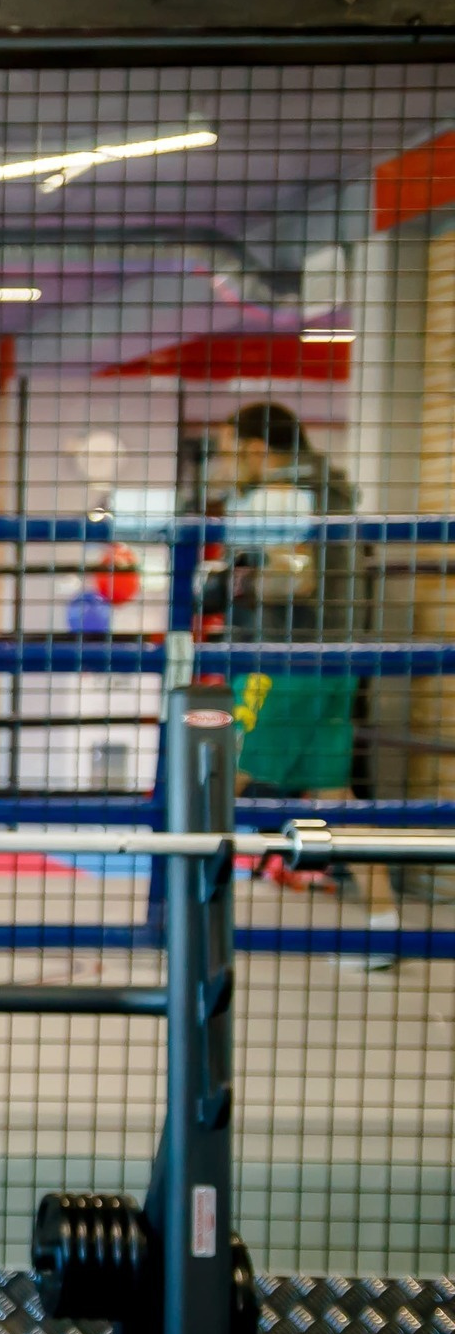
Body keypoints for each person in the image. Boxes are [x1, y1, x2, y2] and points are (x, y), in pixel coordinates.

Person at [218, 401, 397, 967]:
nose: (225, 467)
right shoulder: (327, 491)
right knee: (332, 793)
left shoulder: (282, 495)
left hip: (289, 662)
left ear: (253, 448)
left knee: (220, 773)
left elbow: (293, 578)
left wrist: (234, 581)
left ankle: (185, 910)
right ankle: (384, 922)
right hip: (336, 661)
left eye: (227, 452)